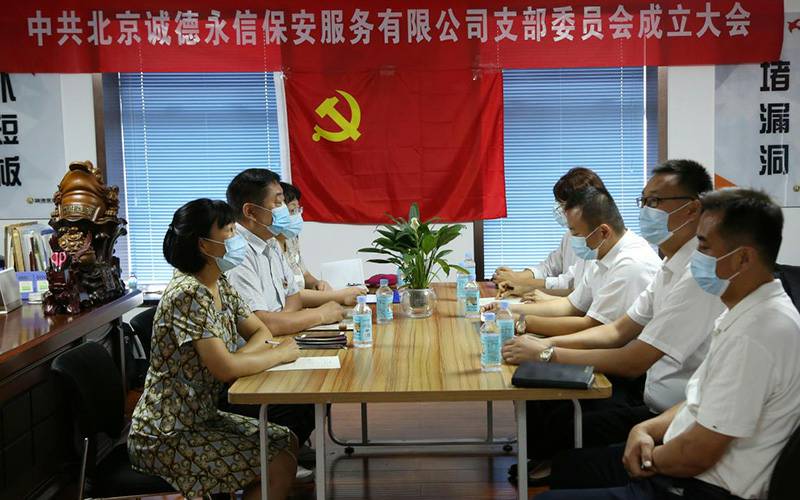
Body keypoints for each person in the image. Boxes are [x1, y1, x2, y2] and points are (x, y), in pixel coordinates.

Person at [538, 188, 800, 500]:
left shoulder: (757, 334)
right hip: (679, 453)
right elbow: (698, 399)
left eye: (704, 246)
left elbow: (697, 454)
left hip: (703, 486)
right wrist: (645, 430)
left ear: (743, 258)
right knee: (569, 467)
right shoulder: (742, 312)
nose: (696, 258)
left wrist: (649, 457)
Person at [504, 160, 723, 484]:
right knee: (553, 416)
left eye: (655, 201)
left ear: (692, 209)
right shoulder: (669, 265)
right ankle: (543, 463)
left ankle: (551, 467)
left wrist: (546, 351)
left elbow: (631, 359)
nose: (645, 210)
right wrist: (542, 344)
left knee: (564, 439)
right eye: (643, 200)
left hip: (671, 412)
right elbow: (617, 329)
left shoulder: (693, 274)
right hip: (654, 399)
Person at [128, 198, 300, 500]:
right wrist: (279, 354)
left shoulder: (218, 282)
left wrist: (236, 359)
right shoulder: (188, 294)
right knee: (278, 462)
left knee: (286, 441)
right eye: (229, 231)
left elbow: (259, 331)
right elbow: (225, 369)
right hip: (167, 432)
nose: (237, 239)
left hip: (201, 416)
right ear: (203, 245)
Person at [486, 187, 661, 338]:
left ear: (603, 232)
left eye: (576, 234)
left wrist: (523, 322)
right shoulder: (602, 252)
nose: (572, 239)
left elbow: (593, 326)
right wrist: (507, 309)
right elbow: (571, 305)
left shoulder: (631, 265)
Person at [225, 168, 355, 335]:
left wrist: (282, 321)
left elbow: (294, 298)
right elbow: (259, 325)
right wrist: (320, 315)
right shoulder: (237, 254)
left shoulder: (270, 241)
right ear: (250, 212)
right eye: (278, 203)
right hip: (260, 346)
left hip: (283, 335)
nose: (284, 211)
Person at [493, 167, 606, 300]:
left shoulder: (600, 241)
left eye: (564, 205)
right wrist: (517, 279)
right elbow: (554, 270)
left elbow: (576, 291)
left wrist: (521, 283)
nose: (560, 211)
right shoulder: (570, 236)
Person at [277, 181, 365, 306]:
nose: (297, 216)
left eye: (298, 210)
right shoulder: (269, 248)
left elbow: (305, 275)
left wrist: (317, 283)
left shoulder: (291, 238)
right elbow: (289, 295)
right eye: (292, 210)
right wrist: (337, 296)